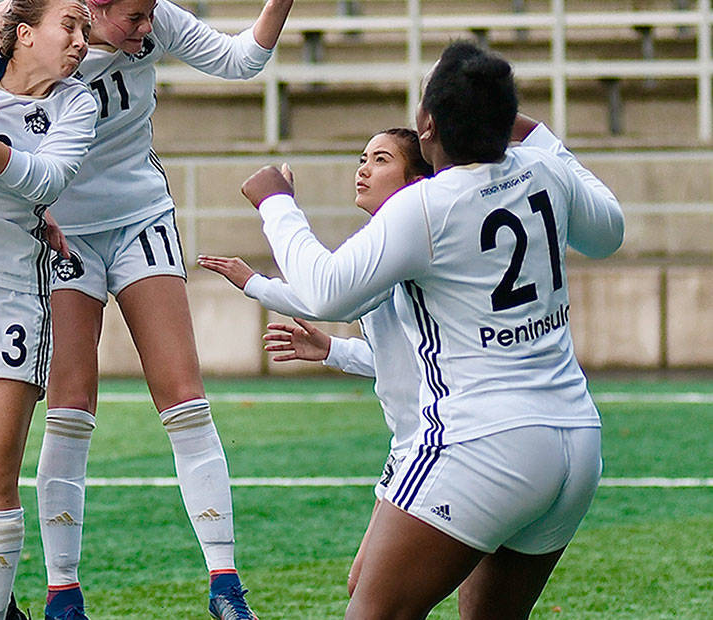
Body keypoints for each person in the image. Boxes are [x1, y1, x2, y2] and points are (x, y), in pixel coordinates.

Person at [240, 41, 624, 620]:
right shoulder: (543, 168)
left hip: (483, 443)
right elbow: (609, 233)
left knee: (370, 610)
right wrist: (539, 134)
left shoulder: (426, 206)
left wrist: (277, 204)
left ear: (427, 125)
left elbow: (324, 290)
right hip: (575, 438)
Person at [0, 0, 300, 620]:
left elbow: (239, 59)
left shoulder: (149, 18)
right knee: (70, 408)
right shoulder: (43, 38)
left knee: (184, 398)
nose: (145, 29)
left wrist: (275, 3)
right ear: (91, 9)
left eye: (149, 17)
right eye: (131, 19)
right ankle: (63, 592)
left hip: (140, 220)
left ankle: (226, 585)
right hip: (61, 233)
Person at [197, 127, 433, 596]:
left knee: (375, 592)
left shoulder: (408, 233)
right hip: (415, 445)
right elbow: (404, 357)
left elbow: (330, 296)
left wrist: (264, 257)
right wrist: (333, 350)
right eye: (362, 157)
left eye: (381, 159)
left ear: (415, 179)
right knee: (369, 588)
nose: (363, 169)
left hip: (434, 444)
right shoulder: (393, 238)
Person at [0, 0, 99, 620]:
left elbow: (46, 179)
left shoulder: (77, 103)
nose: (81, 42)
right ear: (23, 31)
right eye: (69, 25)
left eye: (86, 31)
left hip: (13, 293)